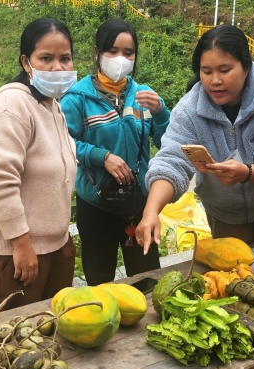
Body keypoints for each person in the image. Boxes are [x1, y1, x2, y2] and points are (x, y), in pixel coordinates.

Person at [135, 24, 254, 251]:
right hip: (224, 218)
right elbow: (171, 162)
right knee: (233, 277)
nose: (214, 81)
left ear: (246, 67)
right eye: (206, 72)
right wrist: (151, 212)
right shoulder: (190, 110)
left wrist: (248, 173)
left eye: (225, 70)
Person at [0, 18, 77, 316]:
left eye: (65, 58)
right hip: (17, 256)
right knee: (11, 347)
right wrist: (21, 244)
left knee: (48, 339)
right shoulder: (12, 105)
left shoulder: (51, 105)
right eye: (46, 58)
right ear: (26, 62)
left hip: (53, 249)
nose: (58, 67)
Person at [60, 19, 171, 285]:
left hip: (138, 203)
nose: (120, 58)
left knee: (147, 279)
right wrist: (102, 157)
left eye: (128, 52)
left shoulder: (144, 95)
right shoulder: (77, 99)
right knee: (100, 282)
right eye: (112, 51)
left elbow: (168, 142)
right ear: (97, 53)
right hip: (96, 204)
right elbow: (62, 144)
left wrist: (161, 114)